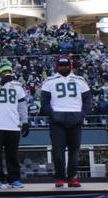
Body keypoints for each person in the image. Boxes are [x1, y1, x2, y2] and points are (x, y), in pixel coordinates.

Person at [39, 55, 91, 187]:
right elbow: (44, 102)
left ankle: (72, 177)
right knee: (58, 151)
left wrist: (82, 115)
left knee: (74, 151)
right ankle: (59, 177)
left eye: (66, 65)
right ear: (57, 66)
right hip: (57, 119)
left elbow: (87, 100)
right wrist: (53, 115)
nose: (64, 67)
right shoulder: (49, 81)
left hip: (75, 117)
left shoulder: (80, 80)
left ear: (70, 66)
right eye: (61, 65)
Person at [0, 62, 29, 188]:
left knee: (12, 154)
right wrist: (0, 84)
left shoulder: (17, 85)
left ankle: (14, 179)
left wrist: (25, 120)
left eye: (9, 71)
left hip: (13, 124)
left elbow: (22, 104)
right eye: (5, 72)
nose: (8, 74)